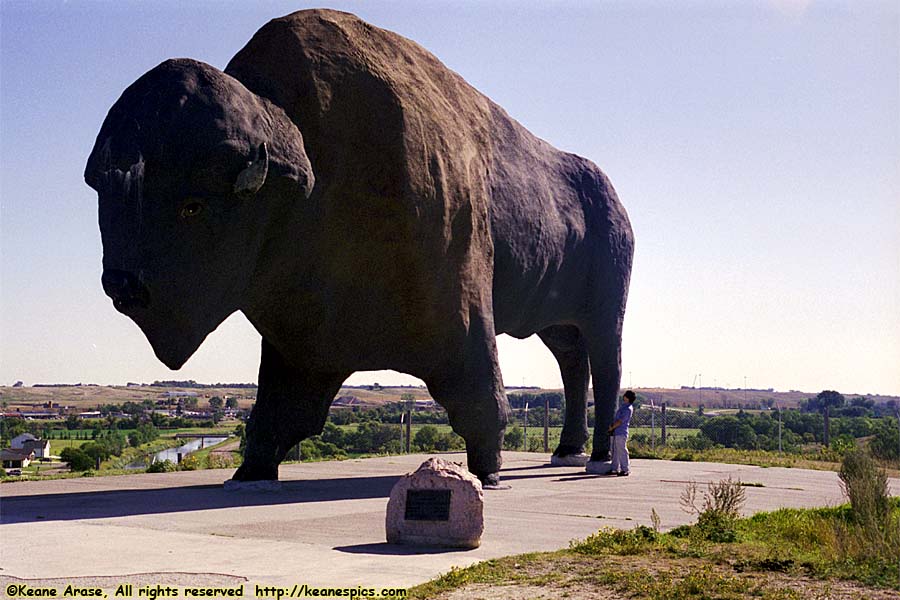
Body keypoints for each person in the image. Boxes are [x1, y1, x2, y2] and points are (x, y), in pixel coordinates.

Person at [607, 390, 635, 476]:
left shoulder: (627, 409)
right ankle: (614, 468)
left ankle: (625, 469)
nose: (624, 397)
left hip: (621, 432)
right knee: (615, 451)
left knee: (622, 450)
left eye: (625, 396)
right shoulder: (623, 407)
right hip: (616, 432)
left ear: (628, 398)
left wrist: (612, 427)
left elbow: (620, 421)